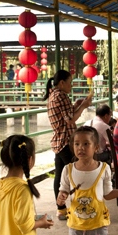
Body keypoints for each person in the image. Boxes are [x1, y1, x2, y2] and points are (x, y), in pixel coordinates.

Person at [43, 70, 92, 220]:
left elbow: (67, 116)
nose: (71, 85)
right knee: (78, 173)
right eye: (70, 82)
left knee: (59, 175)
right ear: (62, 82)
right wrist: (83, 106)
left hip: (59, 141)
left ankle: (61, 209)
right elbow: (71, 120)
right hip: (66, 141)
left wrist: (77, 105)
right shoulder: (61, 95)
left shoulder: (54, 95)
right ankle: (81, 207)